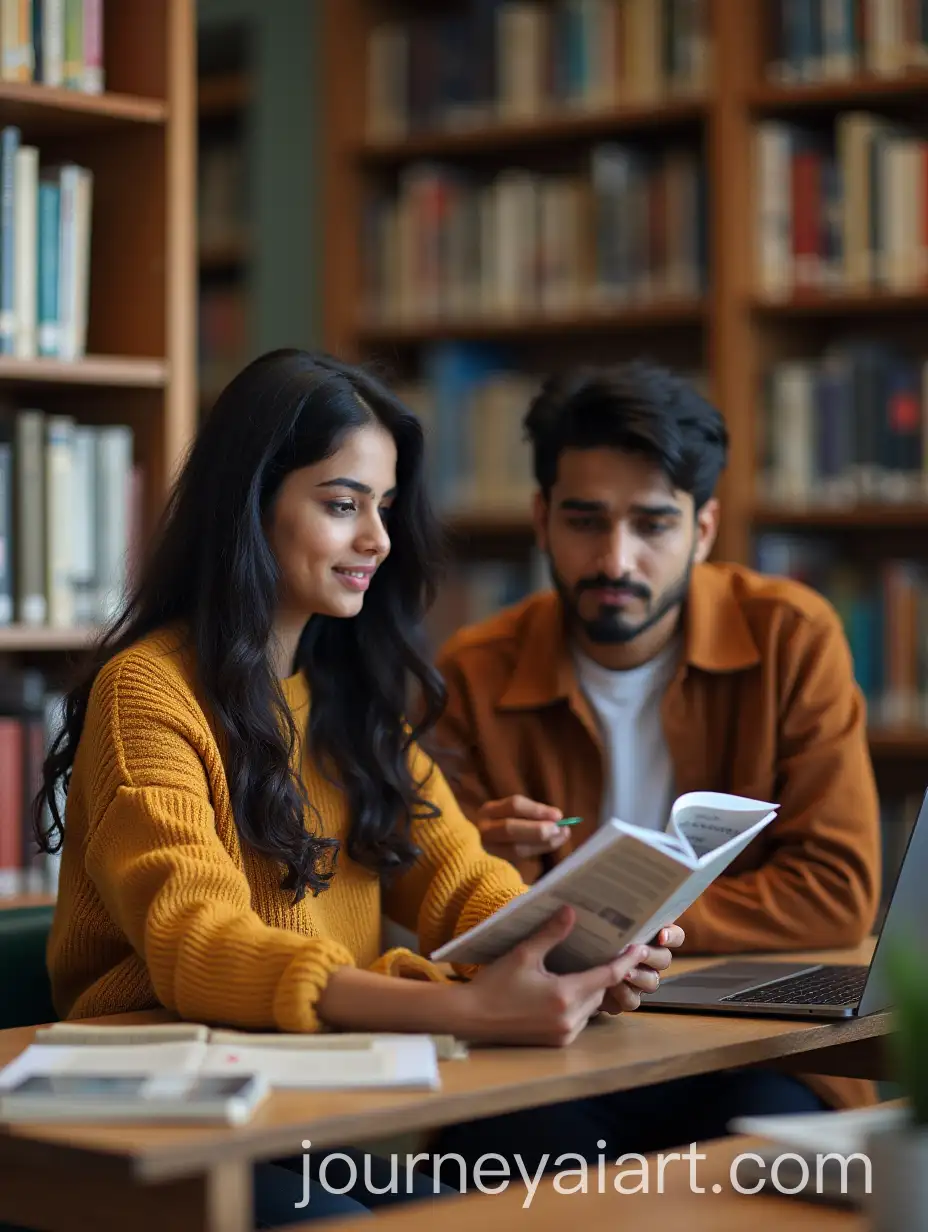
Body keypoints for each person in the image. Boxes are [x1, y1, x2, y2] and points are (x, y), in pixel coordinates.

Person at [32, 350, 681, 1229]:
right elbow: (198, 941)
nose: (377, 538)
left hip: (319, 1106)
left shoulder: (348, 695)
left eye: (382, 507)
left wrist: (581, 944)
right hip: (165, 1116)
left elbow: (457, 877)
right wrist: (467, 1007)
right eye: (342, 505)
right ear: (249, 506)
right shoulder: (148, 692)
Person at [428, 361, 881, 1170]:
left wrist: (617, 923)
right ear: (539, 520)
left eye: (652, 524)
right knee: (502, 1174)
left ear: (703, 529)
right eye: (584, 520)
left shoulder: (790, 637)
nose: (616, 559)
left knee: (770, 1162)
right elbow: (444, 921)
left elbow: (837, 893)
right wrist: (486, 871)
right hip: (552, 1051)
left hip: (753, 1046)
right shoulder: (473, 670)